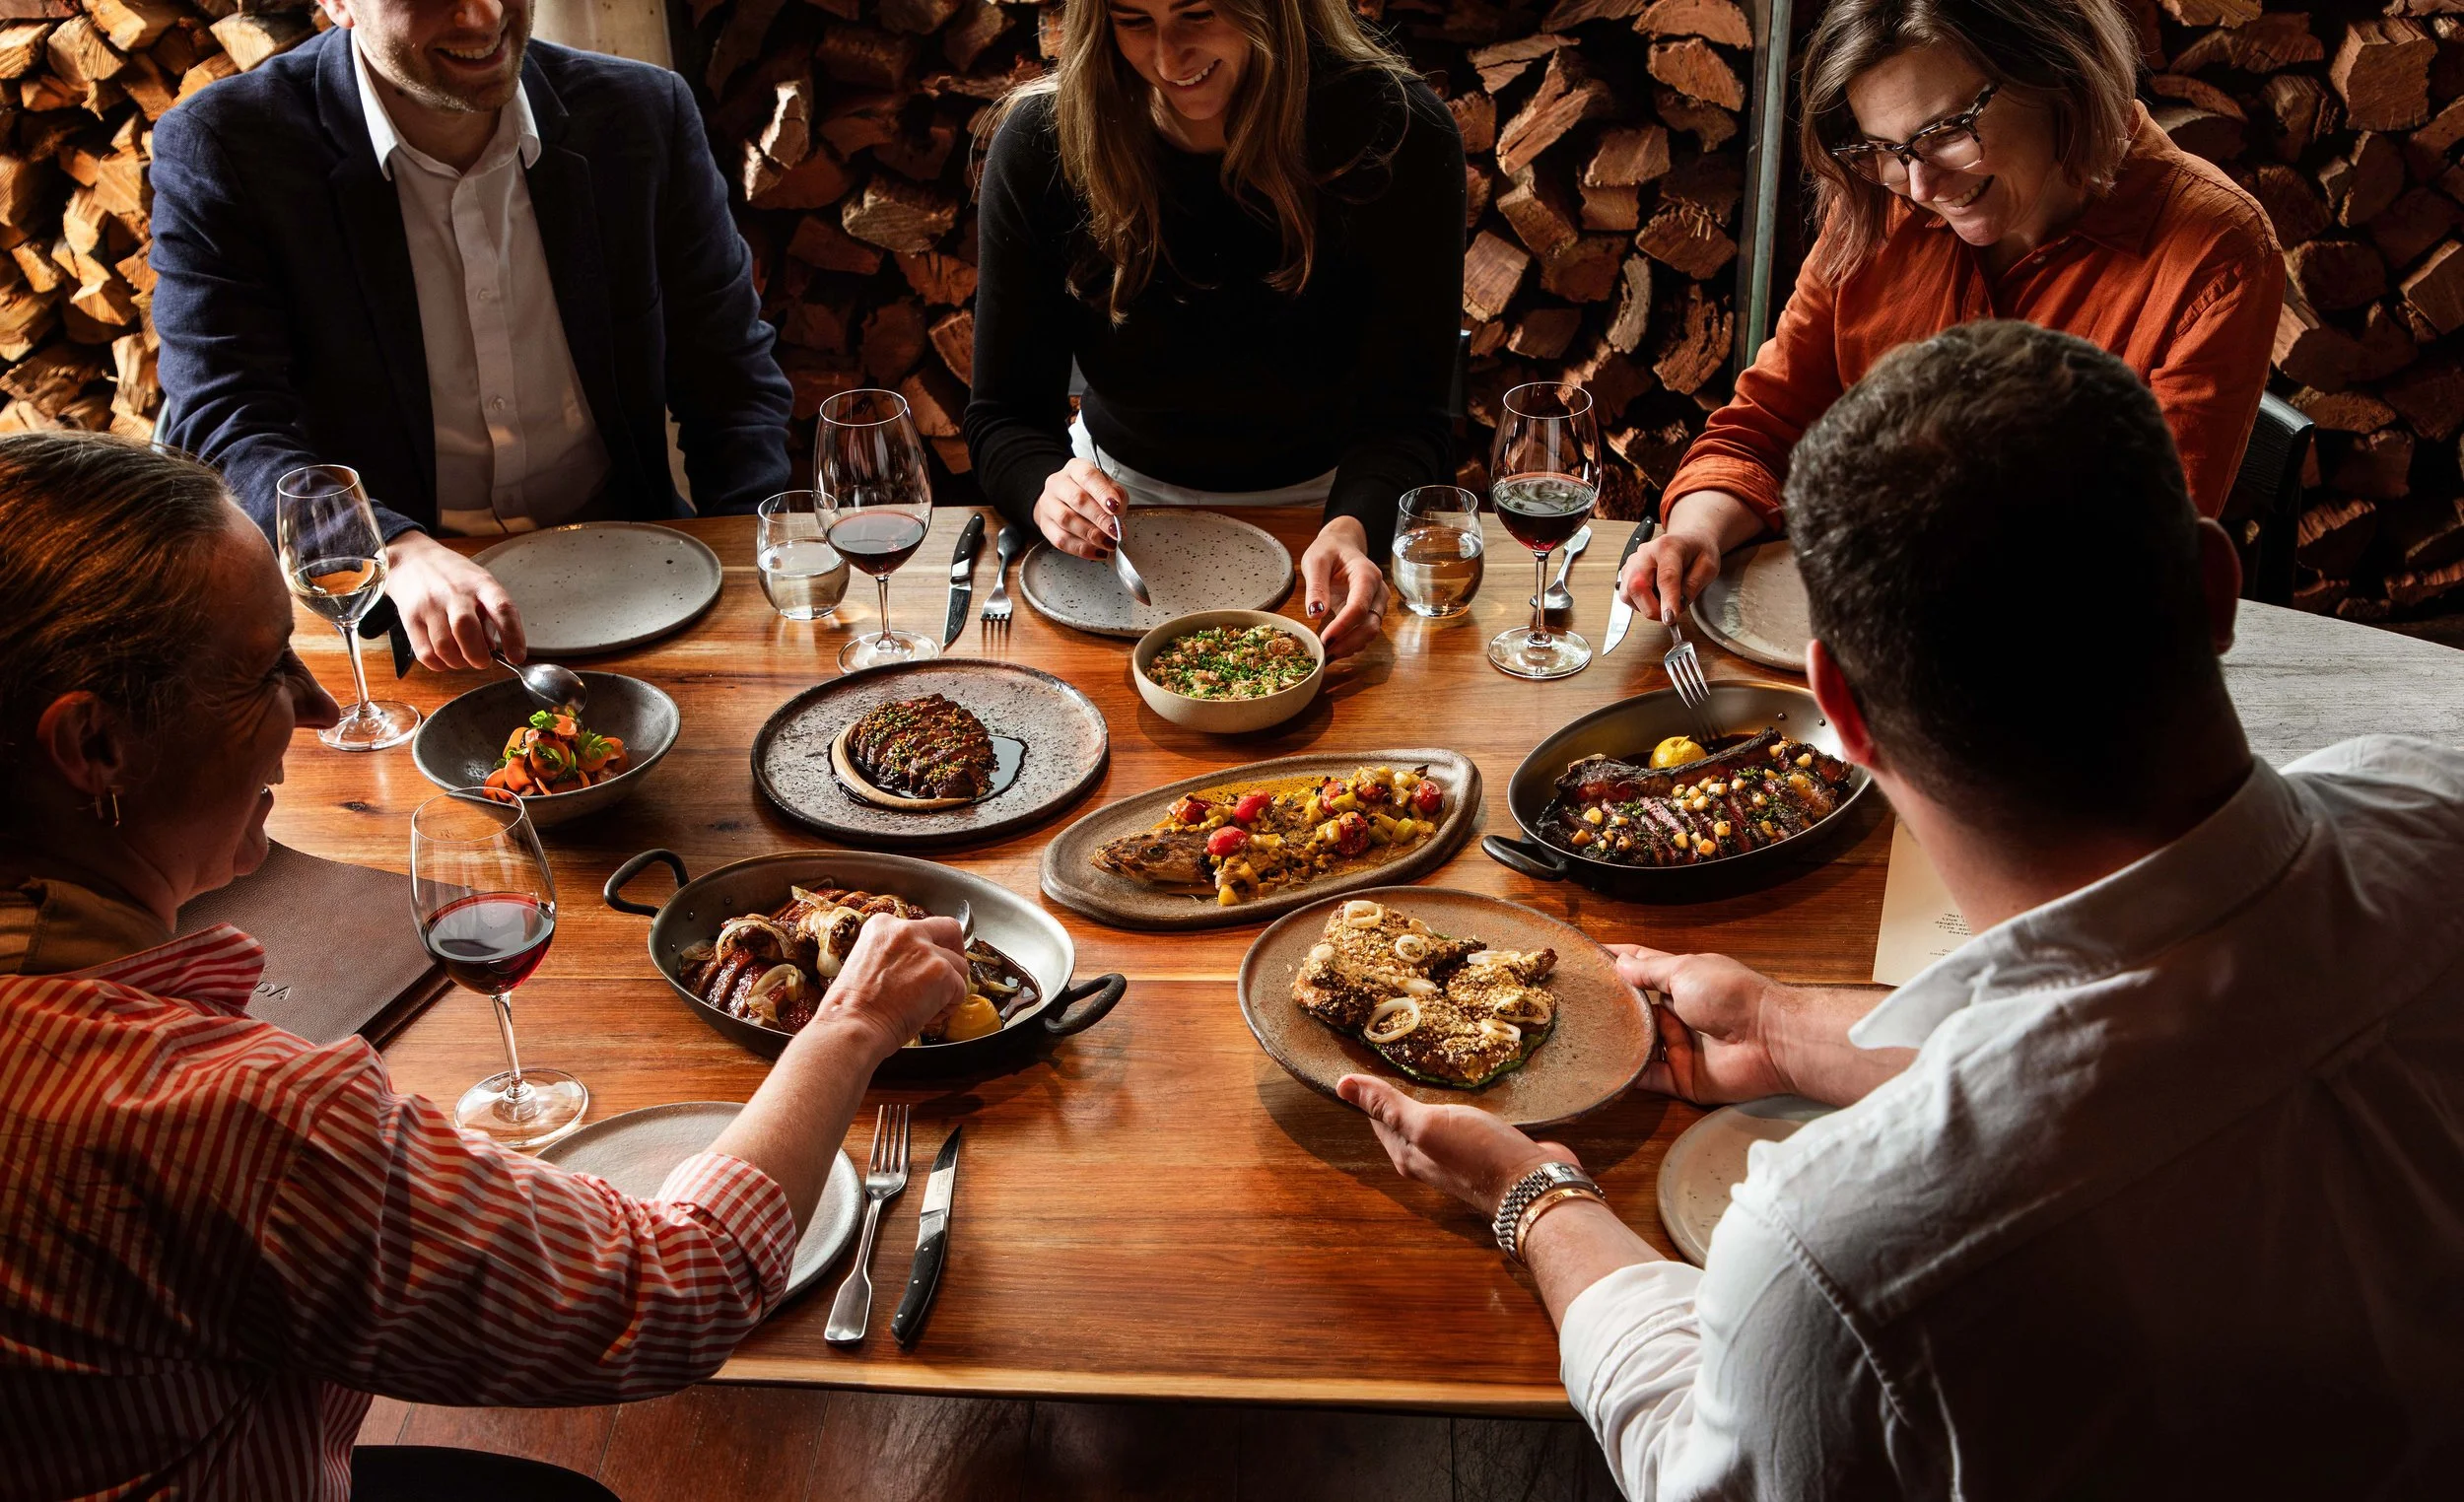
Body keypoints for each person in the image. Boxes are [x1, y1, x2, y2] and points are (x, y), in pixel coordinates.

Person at [1343, 321, 2464, 1497]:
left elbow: (1695, 1471)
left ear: (1840, 706)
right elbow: (2179, 1028)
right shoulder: (2431, 792)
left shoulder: (1841, 1256)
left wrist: (1533, 1198)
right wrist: (1782, 1032)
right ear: (2215, 585)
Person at [0, 433, 966, 1499]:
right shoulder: (221, 1115)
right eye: (269, 671)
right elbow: (672, 1293)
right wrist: (852, 1022)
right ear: (93, 749)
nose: (320, 713)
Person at [149, 0, 794, 672]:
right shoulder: (225, 145)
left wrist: (750, 554)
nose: (483, 15)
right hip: (388, 618)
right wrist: (387, 547)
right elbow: (223, 418)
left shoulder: (643, 111)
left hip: (640, 576)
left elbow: (729, 373)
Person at [1620, 0, 2283, 624]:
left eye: (1946, 131)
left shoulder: (2215, 250)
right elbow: (1764, 432)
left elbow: (2135, 559)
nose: (1920, 187)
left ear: (2056, 70)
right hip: (1852, 633)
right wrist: (1695, 534)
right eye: (1886, 149)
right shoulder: (1880, 205)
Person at [964, 0, 1464, 658]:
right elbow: (1003, 417)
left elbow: (1411, 414)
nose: (1169, 60)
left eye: (1198, 13)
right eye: (1133, 20)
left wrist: (1356, 524)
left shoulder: (1399, 132)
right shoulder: (1041, 142)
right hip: (1122, 528)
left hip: (1337, 515)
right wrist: (1046, 488)